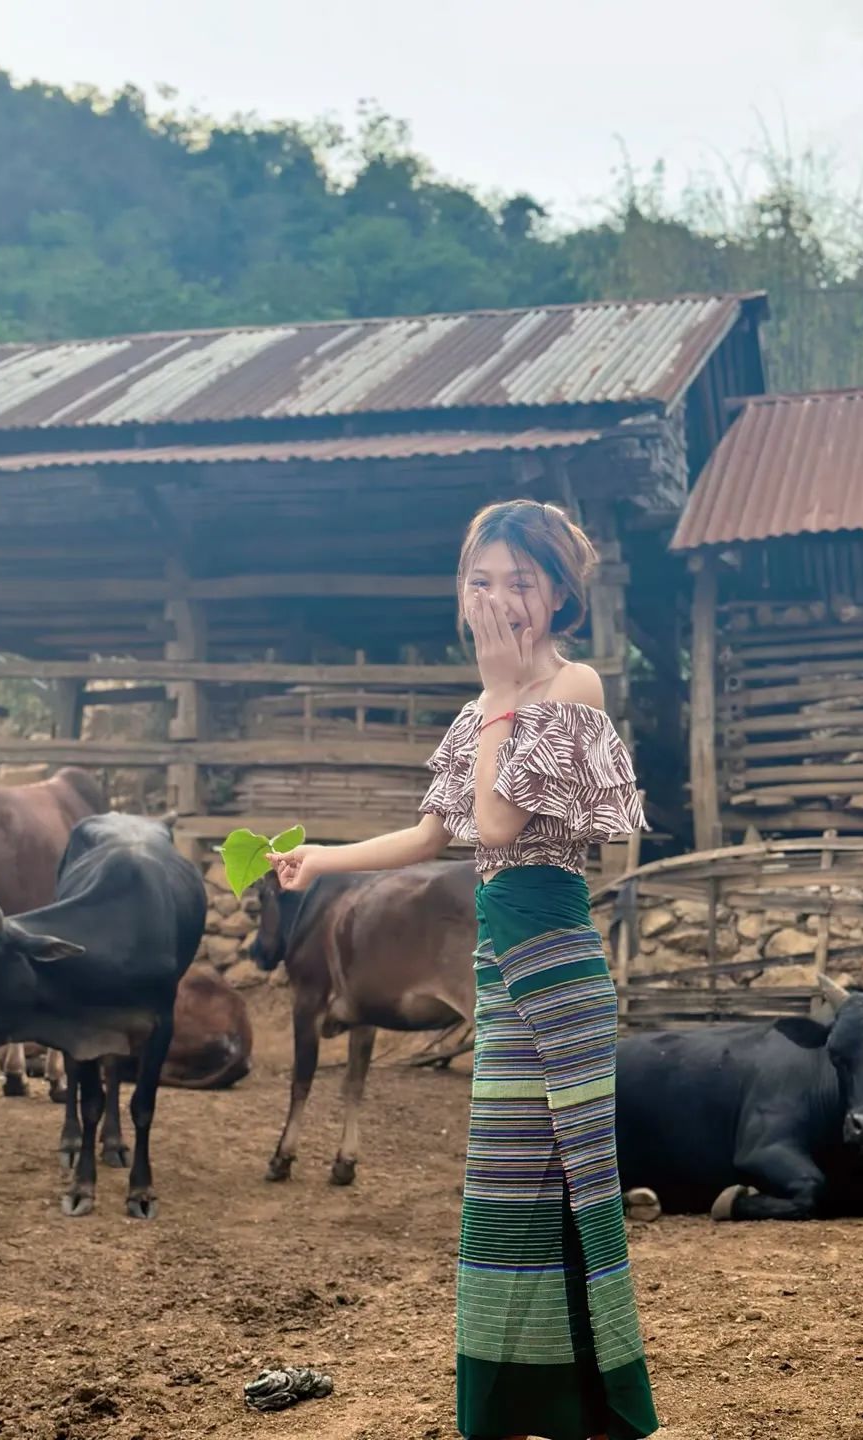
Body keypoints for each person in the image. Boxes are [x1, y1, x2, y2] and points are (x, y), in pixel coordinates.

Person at [274, 499, 659, 1440]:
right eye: (480, 580)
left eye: (519, 582)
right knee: (504, 1194)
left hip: (557, 964)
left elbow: (495, 824)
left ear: (558, 594)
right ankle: (513, 1407)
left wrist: (499, 694)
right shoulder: (479, 713)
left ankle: (600, 1409)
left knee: (576, 1185)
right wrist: (322, 859)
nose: (498, 599)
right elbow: (429, 836)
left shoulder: (574, 685)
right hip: (498, 965)